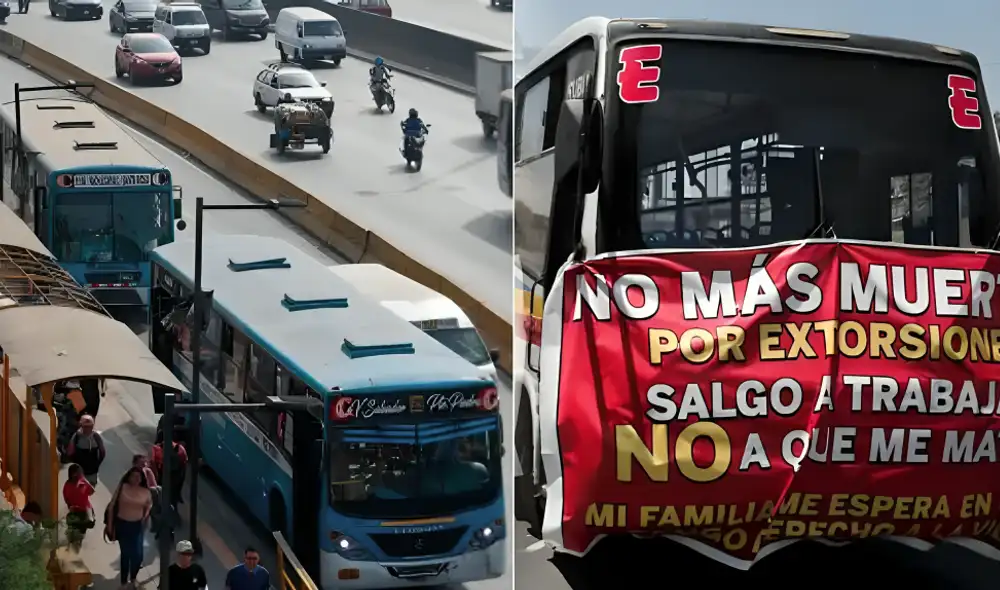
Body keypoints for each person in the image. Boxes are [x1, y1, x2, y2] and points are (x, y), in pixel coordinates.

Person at [106, 467, 152, 589]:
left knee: (138, 555)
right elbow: (112, 506)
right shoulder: (123, 487)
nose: (136, 479)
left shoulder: (146, 492)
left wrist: (145, 519)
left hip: (137, 527)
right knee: (126, 554)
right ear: (129, 477)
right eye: (133, 476)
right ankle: (124, 582)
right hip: (123, 525)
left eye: (139, 476)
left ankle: (133, 578)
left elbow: (148, 507)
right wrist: (110, 526)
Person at [64, 414, 106, 487]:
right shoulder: (76, 436)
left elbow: (102, 453)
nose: (88, 429)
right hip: (79, 474)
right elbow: (69, 453)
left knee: (88, 491)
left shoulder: (96, 437)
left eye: (89, 426)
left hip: (91, 472)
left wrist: (96, 465)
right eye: (86, 426)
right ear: (82, 426)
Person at [63, 464, 96, 548]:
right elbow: (66, 497)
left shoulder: (83, 482)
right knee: (72, 531)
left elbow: (92, 491)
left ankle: (77, 546)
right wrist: (70, 506)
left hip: (85, 509)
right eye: (76, 473)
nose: (78, 475)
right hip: (74, 511)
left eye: (79, 473)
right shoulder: (67, 485)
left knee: (83, 529)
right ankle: (70, 548)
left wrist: (85, 480)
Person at [152, 438, 187, 508]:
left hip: (175, 471)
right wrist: (156, 474)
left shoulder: (181, 450)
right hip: (161, 469)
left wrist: (181, 475)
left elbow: (184, 463)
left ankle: (176, 497)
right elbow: (153, 462)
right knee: (160, 486)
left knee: (175, 487)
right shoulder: (157, 450)